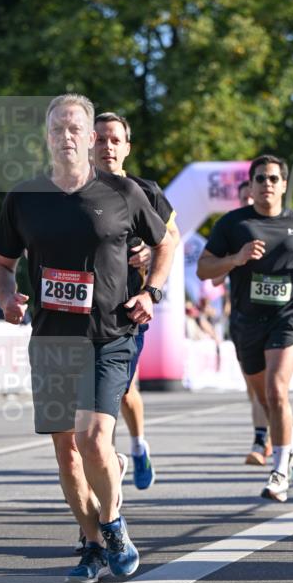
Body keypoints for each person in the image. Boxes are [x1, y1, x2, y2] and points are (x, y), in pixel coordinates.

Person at [0, 94, 170, 583]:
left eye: (75, 129)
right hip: (51, 341)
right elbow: (2, 267)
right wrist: (7, 298)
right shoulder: (24, 198)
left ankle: (113, 525)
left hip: (109, 335)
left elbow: (165, 242)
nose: (66, 137)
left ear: (90, 139)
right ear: (46, 138)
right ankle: (90, 542)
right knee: (66, 452)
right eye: (57, 129)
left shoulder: (124, 193)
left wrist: (151, 290)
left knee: (94, 438)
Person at [197, 154, 293, 502]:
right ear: (252, 184)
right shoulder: (233, 223)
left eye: (274, 179)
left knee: (276, 390)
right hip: (246, 321)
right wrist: (235, 259)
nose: (267, 184)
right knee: (263, 397)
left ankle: (280, 471)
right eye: (260, 178)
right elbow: (203, 269)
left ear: (284, 185)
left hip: (288, 316)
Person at [94, 112, 179, 491]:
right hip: (81, 312)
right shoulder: (69, 192)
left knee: (123, 391)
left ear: (127, 147)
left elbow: (171, 238)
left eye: (115, 139)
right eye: (100, 139)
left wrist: (148, 253)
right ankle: (106, 462)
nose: (107, 146)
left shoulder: (145, 191)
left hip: (128, 307)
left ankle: (137, 446)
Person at [211, 180, 273, 465]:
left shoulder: (276, 225)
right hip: (244, 317)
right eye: (244, 198)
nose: (249, 202)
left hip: (277, 319)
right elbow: (214, 278)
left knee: (273, 383)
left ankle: (263, 440)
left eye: (251, 197)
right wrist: (236, 258)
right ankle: (267, 433)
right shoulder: (232, 232)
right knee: (254, 385)